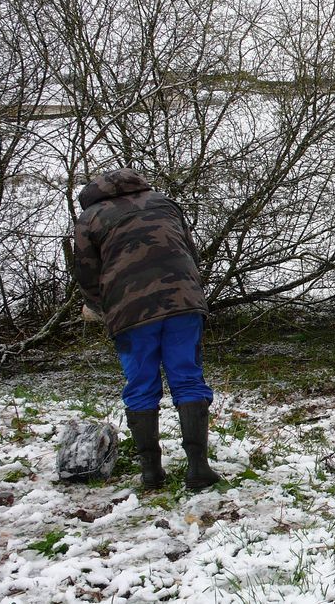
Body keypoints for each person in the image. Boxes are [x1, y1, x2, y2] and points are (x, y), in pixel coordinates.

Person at [73, 169, 220, 491]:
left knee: (140, 383)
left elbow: (86, 273)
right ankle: (198, 468)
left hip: (130, 311)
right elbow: (188, 252)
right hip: (183, 301)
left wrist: (100, 307)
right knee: (188, 377)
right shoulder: (164, 203)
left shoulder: (90, 218)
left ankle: (151, 472)